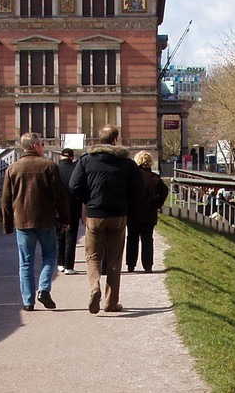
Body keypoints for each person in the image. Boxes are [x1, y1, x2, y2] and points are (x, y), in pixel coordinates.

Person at [68, 125, 144, 314]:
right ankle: (111, 302)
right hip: (118, 214)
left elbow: (74, 185)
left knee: (93, 256)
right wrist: (125, 201)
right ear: (116, 140)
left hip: (95, 214)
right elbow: (139, 188)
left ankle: (95, 287)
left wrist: (89, 199)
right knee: (115, 259)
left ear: (99, 140)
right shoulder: (127, 163)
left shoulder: (86, 160)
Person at [0, 131, 70, 311]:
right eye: (42, 144)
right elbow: (60, 197)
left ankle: (28, 301)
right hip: (46, 219)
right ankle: (44, 289)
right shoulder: (49, 166)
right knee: (50, 255)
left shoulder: (13, 169)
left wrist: (7, 224)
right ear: (35, 146)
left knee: (25, 262)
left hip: (22, 221)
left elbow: (6, 199)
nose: (43, 148)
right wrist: (64, 219)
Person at [127, 150, 168, 272]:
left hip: (132, 213)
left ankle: (131, 264)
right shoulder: (155, 178)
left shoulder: (131, 178)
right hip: (149, 213)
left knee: (132, 238)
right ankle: (148, 266)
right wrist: (158, 204)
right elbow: (165, 191)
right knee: (147, 240)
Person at [56, 148, 83, 274]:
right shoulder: (76, 169)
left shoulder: (55, 169)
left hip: (57, 207)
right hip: (73, 206)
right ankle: (69, 266)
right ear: (72, 157)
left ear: (61, 157)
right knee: (71, 236)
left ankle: (60, 263)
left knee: (59, 235)